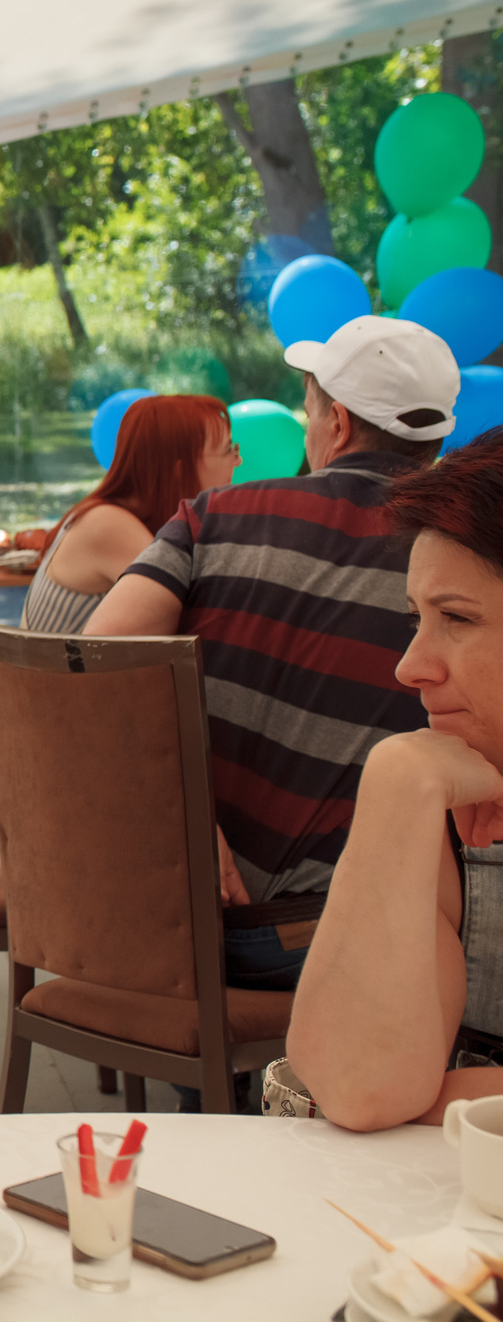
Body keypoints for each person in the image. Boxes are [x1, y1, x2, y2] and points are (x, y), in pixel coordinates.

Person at [92, 314, 460, 993]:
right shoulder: (466, 559)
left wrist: (186, 817)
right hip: (364, 937)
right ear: (436, 439)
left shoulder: (212, 515)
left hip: (179, 920)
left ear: (338, 424)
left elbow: (78, 669)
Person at [282, 431, 503, 1129]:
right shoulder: (447, 795)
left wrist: (436, 1099)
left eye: (456, 619)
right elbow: (357, 1088)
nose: (410, 666)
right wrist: (395, 784)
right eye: (418, 618)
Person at [20, 394, 237, 635]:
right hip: (58, 673)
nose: (237, 460)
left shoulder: (113, 513)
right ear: (182, 468)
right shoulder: (108, 524)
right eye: (228, 449)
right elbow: (206, 623)